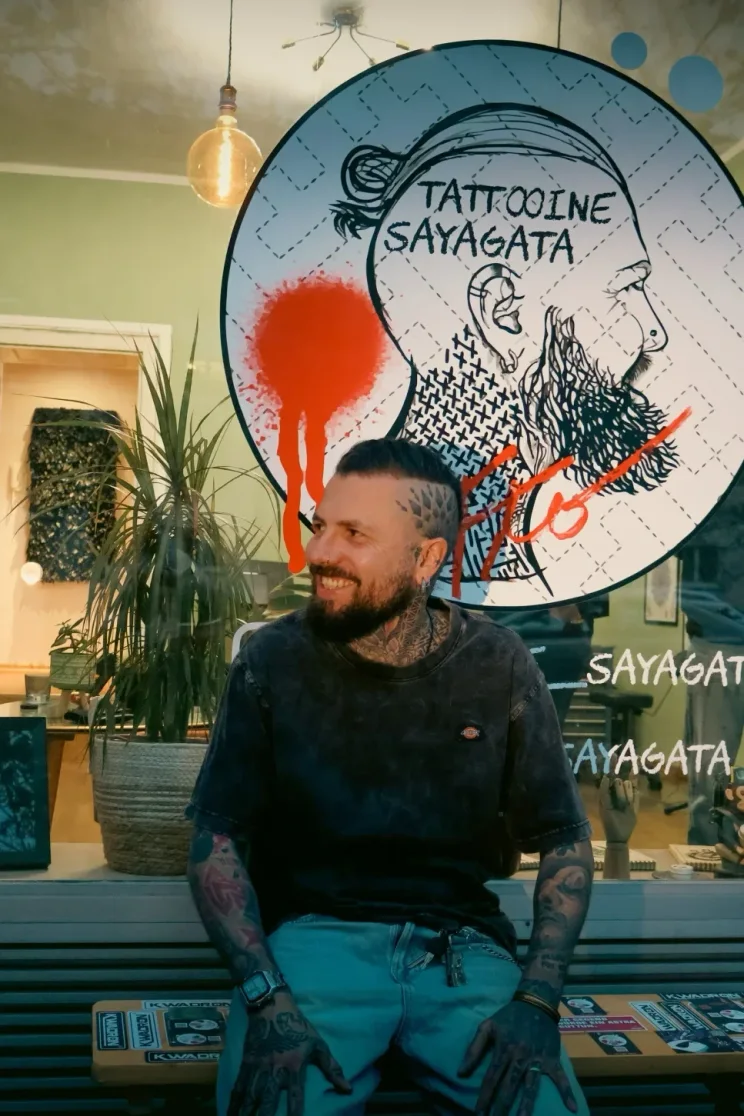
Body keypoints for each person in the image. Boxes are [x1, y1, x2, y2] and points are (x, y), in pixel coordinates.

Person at [186, 437, 594, 1116]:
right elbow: (215, 842)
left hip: (462, 954)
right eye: (321, 526)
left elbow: (565, 844)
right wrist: (267, 1000)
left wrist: (536, 1000)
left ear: (425, 558)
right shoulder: (273, 660)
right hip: (313, 952)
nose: (320, 552)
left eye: (354, 534)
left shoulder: (497, 662)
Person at [332, 104, 673, 594]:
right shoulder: (446, 579)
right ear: (503, 315)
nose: (654, 332)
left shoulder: (419, 569)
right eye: (625, 288)